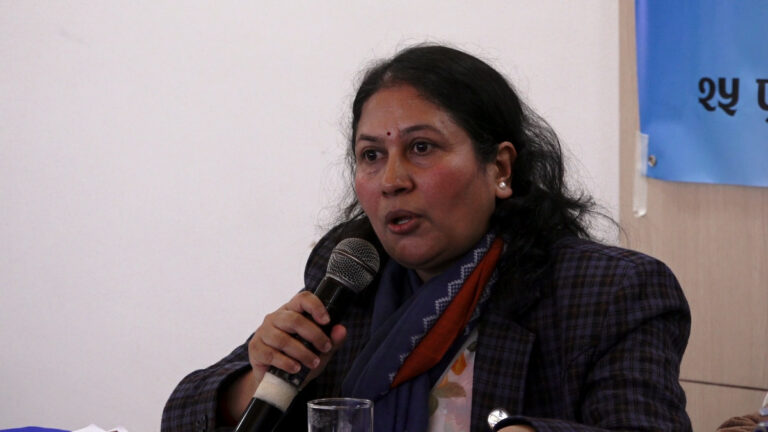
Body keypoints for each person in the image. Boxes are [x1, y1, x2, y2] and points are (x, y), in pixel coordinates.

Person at [161, 44, 692, 432]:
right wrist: (257, 381)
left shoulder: (608, 292)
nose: (392, 180)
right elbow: (180, 413)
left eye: (421, 148)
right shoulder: (352, 275)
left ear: (500, 168)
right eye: (372, 155)